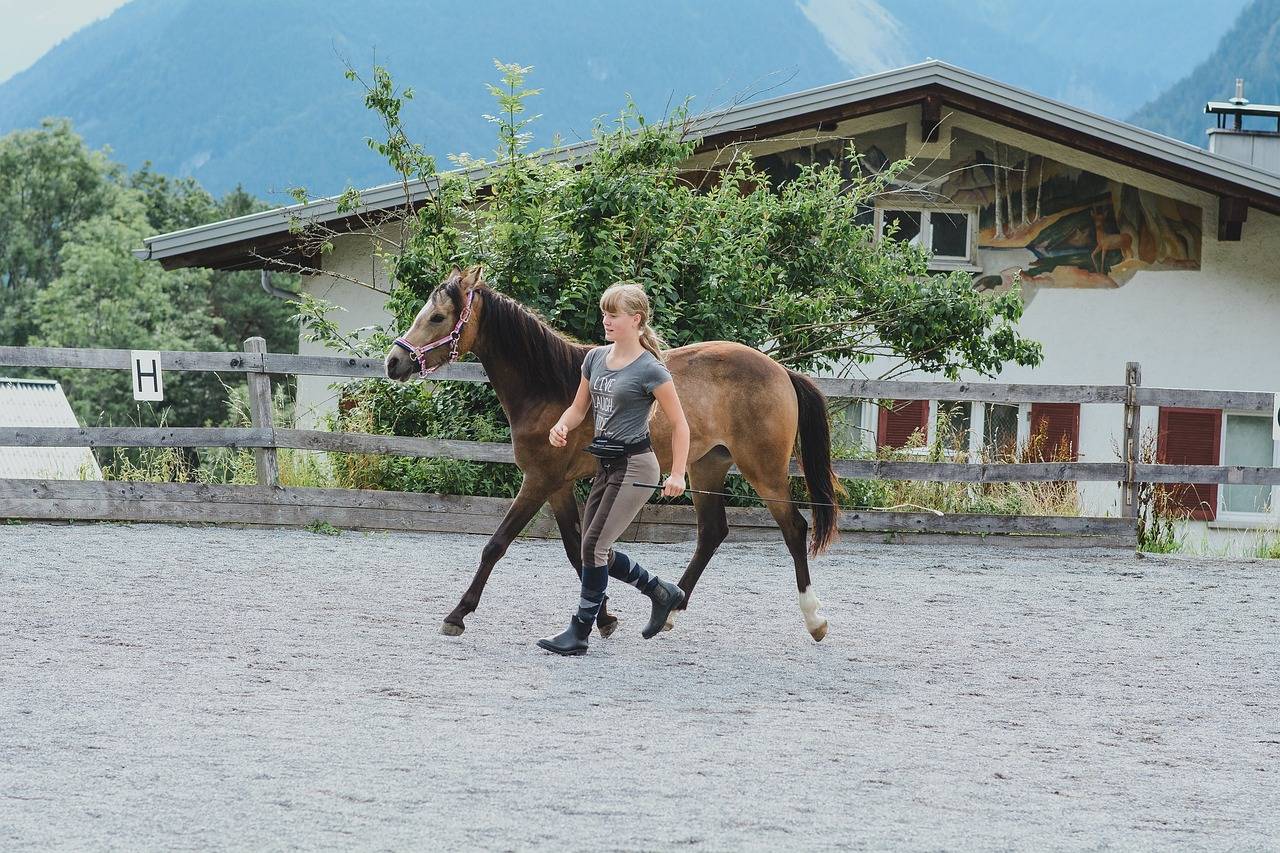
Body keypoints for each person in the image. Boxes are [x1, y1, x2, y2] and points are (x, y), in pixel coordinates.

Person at [538, 282, 690, 656]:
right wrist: (561, 425)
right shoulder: (594, 359)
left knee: (592, 545)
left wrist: (678, 473)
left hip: (636, 465)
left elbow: (681, 424)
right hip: (605, 465)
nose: (605, 320)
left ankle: (580, 631)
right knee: (595, 547)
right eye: (604, 313)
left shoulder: (651, 370)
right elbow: (578, 409)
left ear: (635, 320)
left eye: (613, 314)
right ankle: (660, 590)